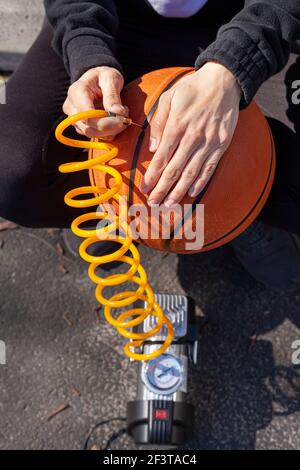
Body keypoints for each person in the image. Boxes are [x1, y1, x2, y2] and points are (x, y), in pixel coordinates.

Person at [0, 0, 300, 291]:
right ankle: (117, 205)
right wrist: (85, 47)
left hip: (252, 14)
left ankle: (238, 212)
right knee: (10, 171)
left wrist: (236, 64)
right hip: (120, 17)